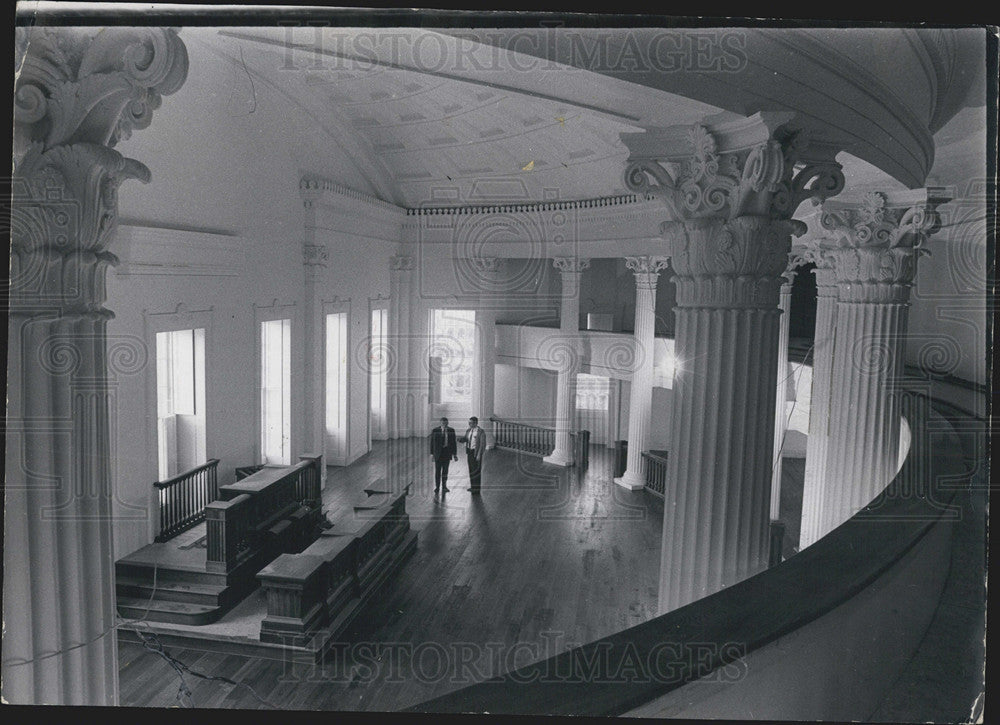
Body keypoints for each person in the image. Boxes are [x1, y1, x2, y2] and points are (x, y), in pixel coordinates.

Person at [429, 417, 458, 494]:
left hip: (447, 453)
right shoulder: (435, 430)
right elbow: (432, 443)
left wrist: (455, 454)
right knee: (437, 471)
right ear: (440, 423)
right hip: (438, 454)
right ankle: (437, 487)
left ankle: (444, 486)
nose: (444, 424)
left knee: (445, 471)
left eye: (445, 423)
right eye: (443, 423)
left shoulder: (451, 430)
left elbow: (453, 443)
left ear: (447, 423)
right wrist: (432, 454)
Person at [458, 416, 486, 495]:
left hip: (476, 453)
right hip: (469, 452)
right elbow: (467, 439)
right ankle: (473, 487)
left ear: (476, 423)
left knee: (476, 471)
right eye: (469, 423)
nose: (469, 424)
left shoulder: (481, 432)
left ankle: (477, 489)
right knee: (471, 470)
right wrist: (460, 439)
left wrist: (479, 455)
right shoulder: (468, 430)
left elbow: (482, 445)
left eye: (471, 423)